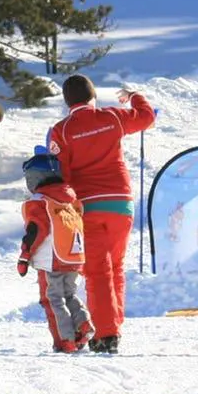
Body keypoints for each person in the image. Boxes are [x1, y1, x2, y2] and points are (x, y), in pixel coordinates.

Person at [46, 74, 155, 354]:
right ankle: (113, 326)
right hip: (121, 203)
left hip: (89, 206)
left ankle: (106, 335)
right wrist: (133, 96)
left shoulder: (62, 130)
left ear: (66, 102)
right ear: (93, 97)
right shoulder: (112, 117)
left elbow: (62, 174)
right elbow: (146, 118)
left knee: (97, 271)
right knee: (116, 266)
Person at [15, 154, 92, 354]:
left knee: (52, 299)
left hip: (52, 260)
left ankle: (64, 341)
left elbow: (35, 231)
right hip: (73, 256)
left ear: (36, 177)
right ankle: (83, 326)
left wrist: (24, 256)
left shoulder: (40, 201)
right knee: (70, 294)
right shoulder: (70, 199)